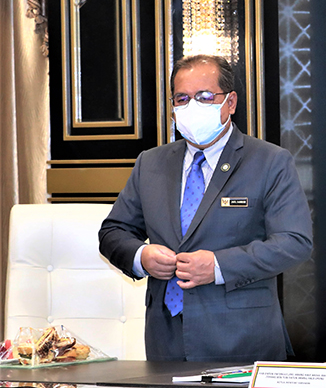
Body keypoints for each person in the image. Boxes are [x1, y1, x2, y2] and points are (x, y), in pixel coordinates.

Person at [99, 55, 313, 361]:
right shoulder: (151, 163)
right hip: (165, 342)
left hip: (242, 341)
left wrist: (218, 266)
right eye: (182, 99)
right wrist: (140, 256)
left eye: (204, 97)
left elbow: (294, 242)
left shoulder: (270, 161)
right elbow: (113, 232)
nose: (192, 107)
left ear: (230, 102)